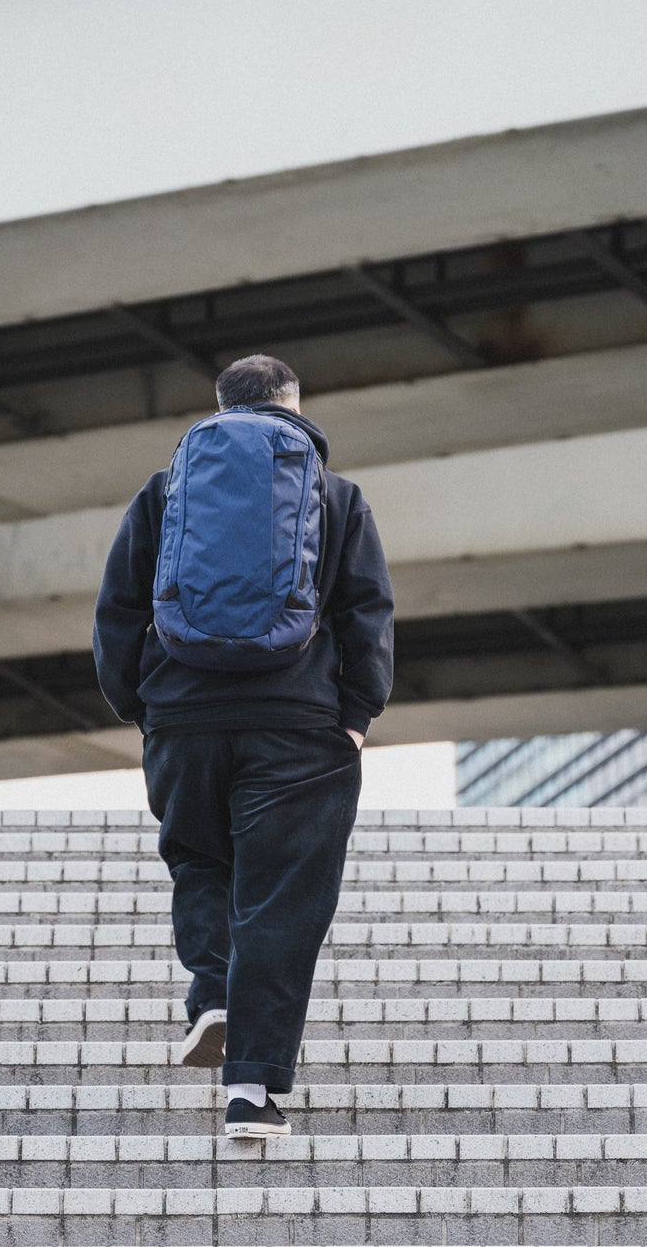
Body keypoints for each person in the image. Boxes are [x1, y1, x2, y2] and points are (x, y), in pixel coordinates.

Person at [93, 353, 395, 1138]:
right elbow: (367, 613)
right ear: (292, 404)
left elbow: (117, 611)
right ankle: (250, 1090)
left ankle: (213, 994)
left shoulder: (163, 492)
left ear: (220, 406)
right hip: (298, 725)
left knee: (200, 858)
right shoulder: (335, 495)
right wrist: (356, 713)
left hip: (182, 718)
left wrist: (146, 706)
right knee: (280, 902)